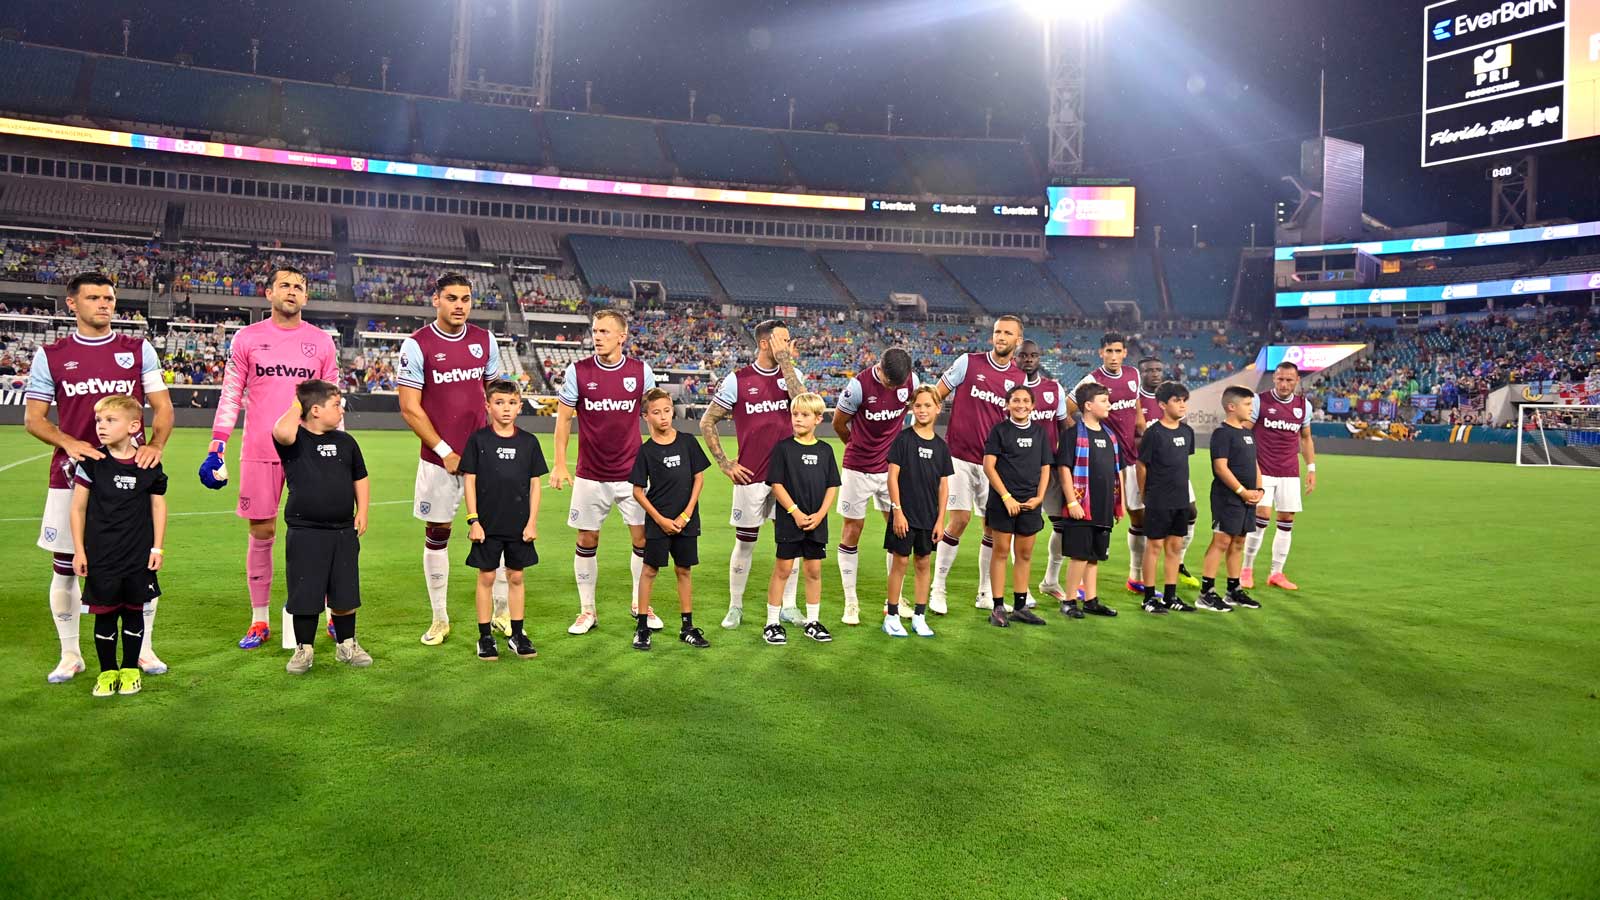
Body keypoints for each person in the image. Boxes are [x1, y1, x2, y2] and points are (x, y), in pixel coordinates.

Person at [24, 272, 173, 684]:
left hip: (131, 476)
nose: (104, 304)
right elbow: (34, 419)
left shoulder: (136, 349)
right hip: (72, 475)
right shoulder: (51, 355)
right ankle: (70, 653)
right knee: (67, 566)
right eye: (93, 297)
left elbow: (162, 408)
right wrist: (70, 443)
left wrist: (156, 447)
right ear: (72, 303)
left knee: (140, 564)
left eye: (109, 297)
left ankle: (141, 651)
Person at [199, 266, 341, 651]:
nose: (292, 292)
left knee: (319, 534)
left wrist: (338, 451)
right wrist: (217, 444)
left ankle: (331, 615)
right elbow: (231, 394)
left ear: (306, 297)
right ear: (269, 293)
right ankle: (259, 620)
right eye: (285, 286)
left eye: (299, 287)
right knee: (262, 533)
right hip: (260, 451)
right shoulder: (247, 338)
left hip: (310, 453)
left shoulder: (321, 342)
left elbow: (333, 400)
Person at [397, 274, 504, 647]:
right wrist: (445, 452)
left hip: (482, 457)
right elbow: (410, 409)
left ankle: (503, 611)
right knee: (438, 533)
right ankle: (440, 617)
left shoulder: (484, 340)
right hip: (437, 461)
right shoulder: (416, 345)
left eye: (466, 298)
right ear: (436, 301)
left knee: (497, 531)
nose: (460, 305)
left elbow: (497, 396)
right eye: (452, 298)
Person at [549, 310, 658, 635]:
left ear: (622, 336)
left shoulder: (641, 372)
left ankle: (641, 604)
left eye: (605, 331)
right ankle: (587, 611)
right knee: (586, 538)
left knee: (641, 539)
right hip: (590, 474)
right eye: (595, 331)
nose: (597, 336)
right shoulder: (578, 371)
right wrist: (559, 462)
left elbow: (655, 417)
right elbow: (564, 419)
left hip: (632, 473)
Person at [701, 319, 806, 629]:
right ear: (764, 343)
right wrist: (724, 462)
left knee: (791, 544)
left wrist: (786, 362)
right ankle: (735, 606)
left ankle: (789, 605)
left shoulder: (793, 376)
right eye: (783, 341)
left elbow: (806, 407)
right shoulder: (738, 380)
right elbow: (707, 421)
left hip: (789, 477)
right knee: (745, 542)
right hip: (751, 476)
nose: (788, 346)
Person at [68, 395, 167, 698]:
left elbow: (158, 507)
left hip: (138, 555)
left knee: (134, 612)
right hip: (102, 555)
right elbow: (78, 509)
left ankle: (130, 670)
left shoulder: (149, 463)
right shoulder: (92, 462)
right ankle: (107, 671)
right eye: (99, 420)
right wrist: (80, 550)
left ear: (134, 425)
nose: (101, 426)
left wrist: (157, 548)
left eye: (110, 420)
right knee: (106, 613)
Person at [271, 379, 373, 674]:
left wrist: (362, 510)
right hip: (306, 532)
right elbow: (282, 431)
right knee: (304, 594)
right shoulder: (294, 441)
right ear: (315, 410)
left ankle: (347, 645)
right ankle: (304, 650)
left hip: (343, 531)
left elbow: (360, 477)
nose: (342, 411)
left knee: (345, 593)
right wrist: (296, 403)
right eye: (336, 405)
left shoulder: (346, 442)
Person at [930, 315, 1025, 614]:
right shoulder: (967, 363)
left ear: (1017, 341)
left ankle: (985, 592)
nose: (1001, 336)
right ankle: (938, 589)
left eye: (1008, 333)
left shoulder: (1019, 380)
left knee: (992, 528)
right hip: (957, 456)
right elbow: (935, 395)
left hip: (993, 465)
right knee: (959, 520)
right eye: (998, 331)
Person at [461, 380, 546, 661]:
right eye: (499, 403)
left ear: (520, 406)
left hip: (519, 524)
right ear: (488, 406)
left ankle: (517, 634)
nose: (506, 408)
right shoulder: (478, 440)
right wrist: (473, 520)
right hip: (487, 524)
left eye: (511, 403)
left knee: (516, 576)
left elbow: (535, 486)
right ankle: (485, 636)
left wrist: (532, 522)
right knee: (486, 576)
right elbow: (469, 481)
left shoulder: (529, 442)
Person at [831, 346, 916, 625]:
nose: (895, 387)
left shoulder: (909, 382)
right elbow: (838, 423)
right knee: (853, 530)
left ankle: (894, 598)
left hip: (890, 469)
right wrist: (854, 446)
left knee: (899, 531)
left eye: (899, 384)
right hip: (857, 469)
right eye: (891, 383)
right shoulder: (857, 387)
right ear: (880, 369)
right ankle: (851, 602)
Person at [629, 388, 713, 652]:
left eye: (667, 410)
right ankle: (642, 628)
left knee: (684, 570)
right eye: (656, 412)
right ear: (646, 417)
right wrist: (661, 520)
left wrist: (686, 514)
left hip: (687, 521)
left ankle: (687, 627)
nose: (664, 417)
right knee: (649, 570)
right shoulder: (646, 451)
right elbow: (637, 491)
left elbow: (699, 477)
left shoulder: (687, 442)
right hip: (659, 522)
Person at [1068, 334, 1146, 595]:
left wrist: (1142, 430)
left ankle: (1135, 576)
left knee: (1138, 515)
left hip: (1130, 459)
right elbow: (1068, 409)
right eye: (1109, 351)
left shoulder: (1133, 375)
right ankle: (1077, 584)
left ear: (1125, 353)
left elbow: (1135, 407)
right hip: (1100, 461)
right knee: (1088, 520)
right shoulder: (1091, 380)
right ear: (1100, 352)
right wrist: (1080, 440)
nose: (1114, 356)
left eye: (1118, 351)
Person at [762, 392, 840, 646]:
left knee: (814, 570)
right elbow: (776, 483)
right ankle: (772, 622)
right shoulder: (784, 449)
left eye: (804, 415)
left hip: (817, 521)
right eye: (795, 414)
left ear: (818, 419)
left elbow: (832, 486)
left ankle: (813, 621)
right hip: (790, 520)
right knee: (783, 569)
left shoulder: (825, 450)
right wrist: (794, 512)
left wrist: (820, 515)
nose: (798, 419)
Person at [1242, 362, 1318, 591]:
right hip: (1262, 469)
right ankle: (1246, 569)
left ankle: (1277, 572)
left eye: (1289, 380)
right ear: (1274, 379)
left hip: (1289, 472)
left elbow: (1305, 438)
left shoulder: (1304, 406)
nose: (1284, 384)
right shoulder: (1259, 401)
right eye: (1280, 379)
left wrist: (1311, 468)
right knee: (1261, 517)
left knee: (1286, 521)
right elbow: (1245, 430)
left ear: (1297, 381)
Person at [981, 386, 1051, 628]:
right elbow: (989, 466)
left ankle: (1020, 606)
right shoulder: (1000, 431)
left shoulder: (1040, 433)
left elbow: (1045, 468)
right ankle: (998, 606)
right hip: (1004, 503)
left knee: (1025, 554)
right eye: (1016, 400)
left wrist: (1039, 497)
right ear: (1007, 404)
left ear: (1033, 405)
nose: (1021, 405)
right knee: (1000, 551)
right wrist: (1006, 497)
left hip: (1030, 503)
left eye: (1025, 401)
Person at [884, 386, 950, 638]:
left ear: (937, 408)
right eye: (918, 405)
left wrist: (941, 519)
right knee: (899, 562)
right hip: (904, 514)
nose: (922, 410)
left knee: (923, 563)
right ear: (912, 408)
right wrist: (897, 512)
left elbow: (944, 486)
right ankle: (891, 615)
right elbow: (892, 477)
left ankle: (919, 617)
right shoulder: (903, 439)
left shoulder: (942, 447)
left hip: (928, 517)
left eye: (927, 405)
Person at [1055, 382, 1124, 620]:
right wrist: (1072, 502)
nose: (1109, 405)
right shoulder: (1072, 434)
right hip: (1081, 507)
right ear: (1088, 405)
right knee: (1080, 555)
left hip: (1103, 506)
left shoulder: (1111, 436)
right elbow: (1064, 468)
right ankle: (1069, 600)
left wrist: (1118, 503)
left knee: (1095, 555)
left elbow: (1118, 472)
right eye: (1104, 401)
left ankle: (1091, 599)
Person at [1015, 339, 1070, 608]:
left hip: (1050, 469)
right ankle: (1021, 588)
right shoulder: (1008, 389)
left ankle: (1050, 580)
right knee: (1021, 531)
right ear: (1016, 357)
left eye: (1033, 355)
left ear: (1040, 358)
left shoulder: (1053, 388)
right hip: (1018, 472)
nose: (1028, 359)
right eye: (1023, 355)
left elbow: (1065, 427)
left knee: (1062, 526)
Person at [1198, 386, 1264, 612]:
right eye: (1247, 404)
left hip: (1248, 498)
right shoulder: (1222, 433)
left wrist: (1259, 489)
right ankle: (1206, 593)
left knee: (1239, 542)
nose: (1251, 408)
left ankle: (1233, 591)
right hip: (1228, 497)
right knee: (1222, 542)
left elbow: (1254, 463)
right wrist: (1241, 491)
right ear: (1231, 407)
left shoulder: (1247, 433)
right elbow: (1220, 467)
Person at [1136, 358, 1200, 589]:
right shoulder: (1153, 433)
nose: (1182, 405)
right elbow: (1141, 465)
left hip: (1180, 497)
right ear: (1162, 405)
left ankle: (1171, 595)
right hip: (1158, 497)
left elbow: (1181, 464)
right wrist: (1145, 493)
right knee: (1153, 547)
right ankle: (1150, 595)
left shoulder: (1187, 431)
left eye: (1184, 401)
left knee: (1174, 547)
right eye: (1176, 401)